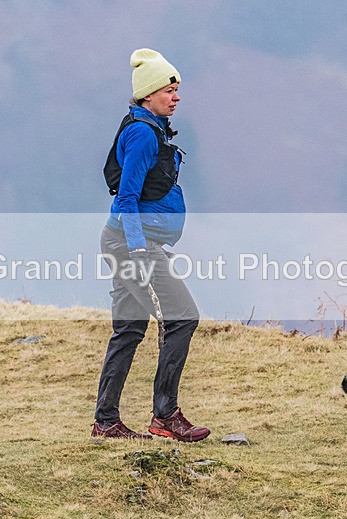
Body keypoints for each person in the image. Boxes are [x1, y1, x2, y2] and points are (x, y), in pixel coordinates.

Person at [91, 48, 210, 442]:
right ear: (148, 94)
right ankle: (165, 416)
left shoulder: (150, 127)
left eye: (176, 90)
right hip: (131, 244)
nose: (176, 97)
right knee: (183, 318)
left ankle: (106, 422)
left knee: (128, 330)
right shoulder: (143, 133)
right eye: (169, 91)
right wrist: (140, 251)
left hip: (120, 240)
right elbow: (125, 198)